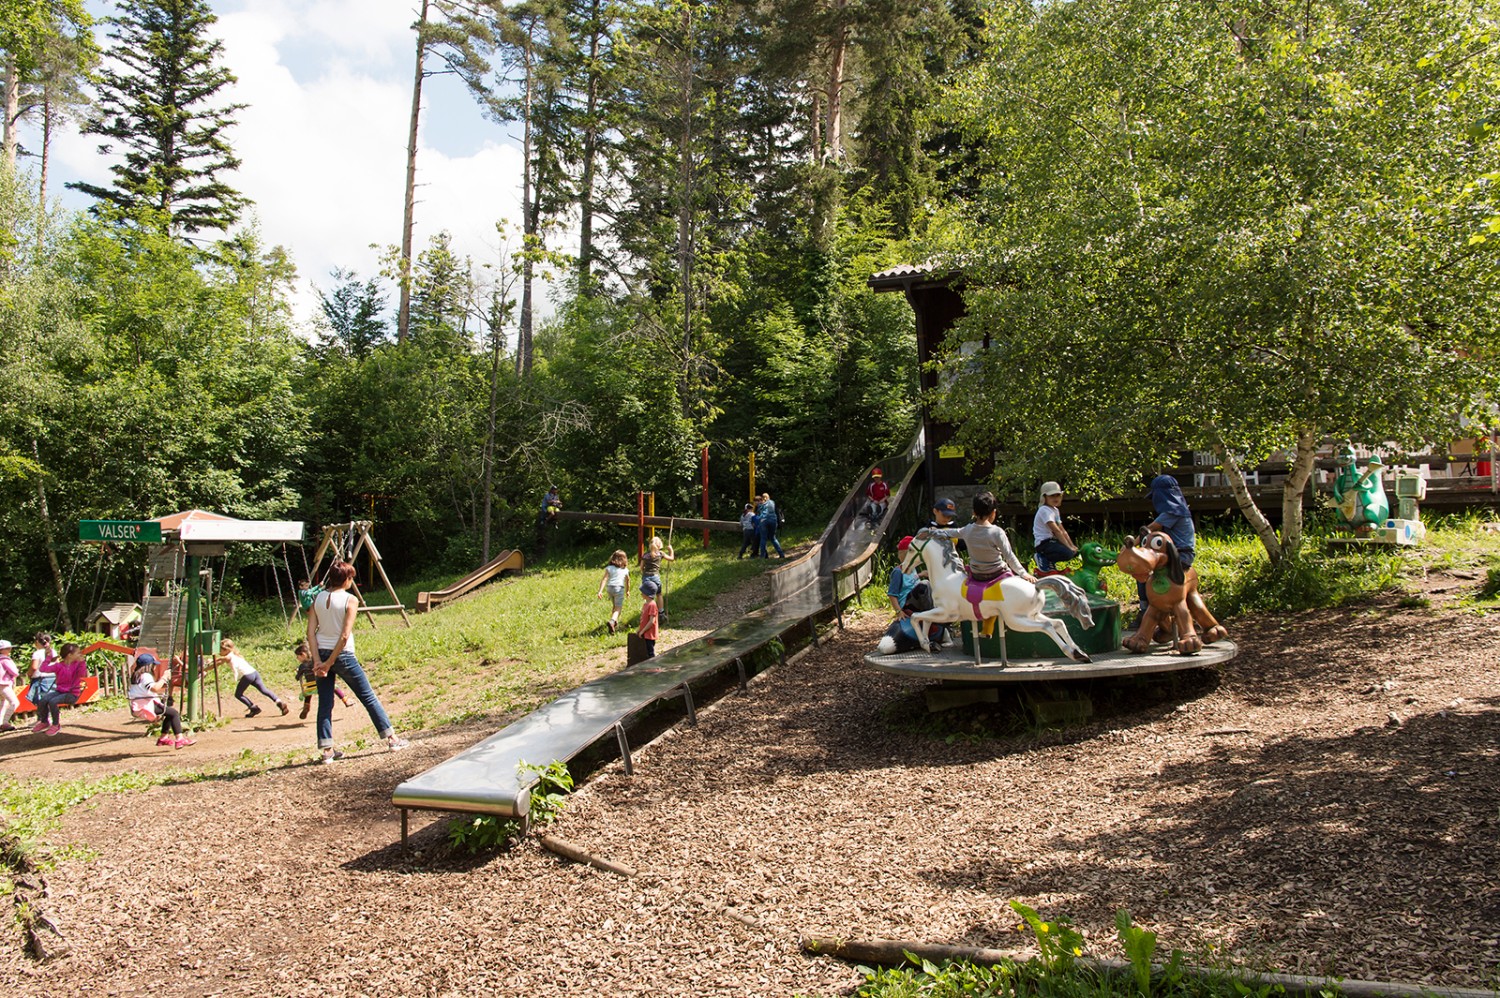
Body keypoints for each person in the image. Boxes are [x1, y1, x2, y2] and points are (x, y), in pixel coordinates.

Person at [307, 560, 408, 763]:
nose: (351, 581)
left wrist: (319, 661)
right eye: (350, 577)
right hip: (343, 655)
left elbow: (310, 633)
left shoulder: (317, 598)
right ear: (345, 579)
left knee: (325, 703)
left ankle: (327, 751)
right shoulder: (350, 600)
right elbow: (344, 636)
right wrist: (329, 663)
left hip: (322, 653)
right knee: (368, 696)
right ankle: (392, 739)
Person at [926, 491, 1036, 586]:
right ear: (993, 512)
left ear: (974, 512)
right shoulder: (997, 532)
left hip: (977, 575)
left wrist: (933, 531)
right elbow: (1009, 556)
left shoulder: (967, 530)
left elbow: (949, 532)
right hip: (997, 573)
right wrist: (1023, 573)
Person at [214, 639, 290, 718]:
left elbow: (220, 660)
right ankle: (279, 702)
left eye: (220, 650)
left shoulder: (228, 656)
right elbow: (219, 661)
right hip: (253, 672)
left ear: (226, 649)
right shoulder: (234, 653)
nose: (219, 652)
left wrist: (210, 662)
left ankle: (253, 708)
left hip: (247, 675)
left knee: (238, 694)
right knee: (264, 690)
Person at [127, 659, 193, 748]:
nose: (154, 667)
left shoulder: (136, 675)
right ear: (149, 665)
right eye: (153, 665)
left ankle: (163, 738)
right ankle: (179, 739)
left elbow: (144, 691)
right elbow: (155, 688)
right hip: (145, 705)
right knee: (174, 713)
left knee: (169, 714)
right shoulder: (145, 676)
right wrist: (164, 677)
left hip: (139, 703)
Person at [32, 641, 86, 736]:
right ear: (69, 655)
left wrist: (82, 663)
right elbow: (43, 669)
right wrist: (48, 657)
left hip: (72, 693)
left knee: (53, 701)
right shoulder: (59, 666)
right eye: (77, 653)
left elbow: (82, 674)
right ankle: (44, 722)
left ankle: (56, 725)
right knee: (43, 700)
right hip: (60, 691)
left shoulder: (77, 665)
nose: (80, 654)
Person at [292, 641, 354, 719]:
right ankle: (345, 700)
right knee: (334, 686)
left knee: (308, 693)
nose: (297, 659)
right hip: (321, 683)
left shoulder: (302, 666)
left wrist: (298, 673)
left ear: (303, 655)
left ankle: (306, 706)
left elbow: (298, 678)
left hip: (310, 687)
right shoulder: (316, 661)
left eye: (298, 657)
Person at [1032, 481, 1079, 572]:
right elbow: (1056, 531)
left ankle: (1050, 563)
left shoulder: (1055, 510)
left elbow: (1062, 530)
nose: (1055, 498)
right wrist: (1069, 548)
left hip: (1052, 541)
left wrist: (1072, 545)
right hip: (1043, 543)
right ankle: (1042, 557)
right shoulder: (1044, 510)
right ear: (1044, 497)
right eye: (1052, 496)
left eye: (1057, 495)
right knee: (1067, 553)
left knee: (1071, 553)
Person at [596, 550, 631, 635]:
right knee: (618, 608)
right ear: (624, 560)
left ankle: (614, 624)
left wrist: (600, 591)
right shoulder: (625, 570)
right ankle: (612, 621)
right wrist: (627, 591)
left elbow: (604, 579)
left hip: (610, 588)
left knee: (615, 606)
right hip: (619, 589)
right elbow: (628, 581)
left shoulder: (609, 568)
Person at [639, 536, 675, 616]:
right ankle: (661, 612)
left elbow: (641, 567)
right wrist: (671, 550)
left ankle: (647, 612)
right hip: (655, 577)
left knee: (647, 595)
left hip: (646, 577)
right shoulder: (660, 554)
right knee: (659, 594)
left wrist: (644, 572)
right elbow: (671, 558)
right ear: (659, 545)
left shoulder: (645, 555)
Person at [756, 493, 785, 559]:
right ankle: (781, 554)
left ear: (762, 498)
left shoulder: (761, 504)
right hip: (773, 521)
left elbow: (759, 513)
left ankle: (762, 556)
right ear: (769, 497)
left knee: (763, 538)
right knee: (773, 538)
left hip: (764, 521)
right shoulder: (772, 502)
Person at [0, 640, 19, 732]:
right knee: (14, 702)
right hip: (3, 684)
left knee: (4, 703)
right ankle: (5, 722)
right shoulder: (5, 660)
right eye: (7, 648)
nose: (10, 649)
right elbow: (14, 672)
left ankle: (1, 723)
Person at [637, 588, 659, 659]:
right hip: (644, 633)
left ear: (647, 594)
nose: (641, 594)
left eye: (642, 592)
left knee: (650, 653)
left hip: (649, 634)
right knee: (645, 651)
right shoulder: (646, 604)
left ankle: (652, 667)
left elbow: (651, 621)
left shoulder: (652, 605)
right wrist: (639, 629)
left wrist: (643, 631)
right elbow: (643, 619)